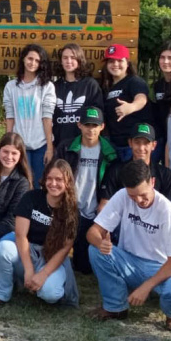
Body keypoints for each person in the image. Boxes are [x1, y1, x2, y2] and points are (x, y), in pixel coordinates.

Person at [86, 160, 171, 332]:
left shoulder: (166, 209)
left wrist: (145, 288)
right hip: (129, 261)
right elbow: (92, 232)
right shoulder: (122, 196)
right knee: (95, 250)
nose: (139, 200)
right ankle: (115, 307)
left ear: (152, 182)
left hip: (161, 267)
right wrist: (100, 243)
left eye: (143, 194)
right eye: (133, 196)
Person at [0, 160, 80, 307]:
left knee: (51, 294)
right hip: (27, 248)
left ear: (68, 182)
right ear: (44, 180)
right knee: (2, 249)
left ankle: (35, 285)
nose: (53, 183)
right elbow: (20, 235)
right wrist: (29, 270)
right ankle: (2, 293)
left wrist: (43, 274)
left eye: (59, 180)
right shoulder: (31, 198)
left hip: (52, 256)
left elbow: (65, 248)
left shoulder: (72, 210)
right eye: (49, 179)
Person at [58, 106, 119, 275]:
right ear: (79, 125)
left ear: (102, 126)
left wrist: (105, 202)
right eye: (87, 125)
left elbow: (113, 183)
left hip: (95, 210)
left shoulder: (110, 153)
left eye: (95, 125)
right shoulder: (66, 147)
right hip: (69, 207)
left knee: (84, 268)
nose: (90, 129)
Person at [3, 44, 56, 188]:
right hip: (19, 146)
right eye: (30, 58)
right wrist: (8, 144)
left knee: (40, 184)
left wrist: (49, 149)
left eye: (37, 61)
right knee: (21, 185)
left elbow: (47, 118)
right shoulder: (11, 86)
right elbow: (10, 116)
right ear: (23, 59)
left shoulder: (47, 86)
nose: (32, 63)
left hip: (41, 145)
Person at [100, 123, 171, 205]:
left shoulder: (166, 175)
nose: (141, 148)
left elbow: (170, 208)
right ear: (130, 143)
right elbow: (104, 205)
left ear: (153, 145)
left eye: (146, 143)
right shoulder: (115, 171)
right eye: (137, 142)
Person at [100, 44, 153, 162]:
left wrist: (131, 107)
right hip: (115, 145)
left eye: (119, 60)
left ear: (127, 63)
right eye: (111, 61)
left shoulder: (134, 81)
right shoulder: (106, 87)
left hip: (134, 146)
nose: (115, 64)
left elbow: (142, 98)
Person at [52, 43, 103, 153]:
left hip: (83, 144)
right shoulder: (54, 87)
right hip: (59, 145)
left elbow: (98, 116)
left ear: (80, 60)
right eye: (65, 58)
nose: (68, 61)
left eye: (73, 58)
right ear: (61, 61)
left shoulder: (90, 84)